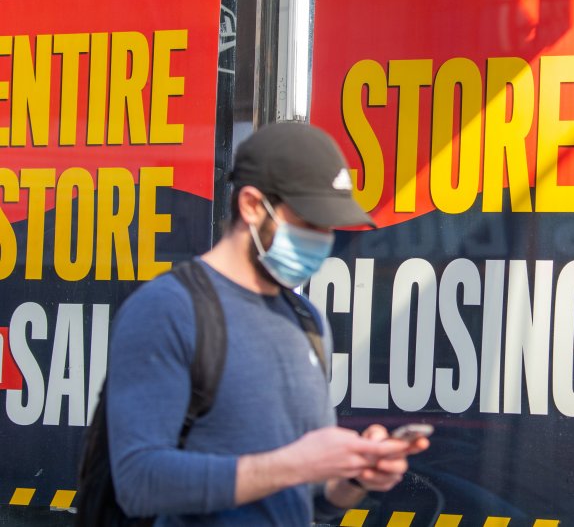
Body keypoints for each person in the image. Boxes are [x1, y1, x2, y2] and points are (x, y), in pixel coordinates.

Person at [105, 122, 428, 525]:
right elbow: (139, 483)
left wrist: (355, 478)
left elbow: (308, 501)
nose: (323, 238)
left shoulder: (306, 322)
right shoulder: (169, 309)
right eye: (309, 222)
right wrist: (293, 465)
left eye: (329, 226)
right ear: (253, 206)